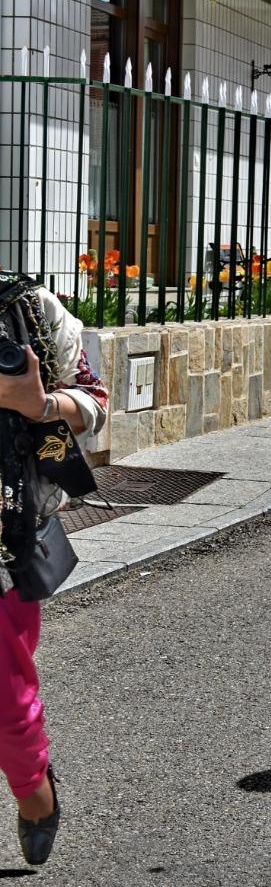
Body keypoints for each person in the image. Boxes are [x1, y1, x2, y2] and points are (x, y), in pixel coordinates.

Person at [0, 272, 108, 864]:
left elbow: (94, 397)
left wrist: (38, 404)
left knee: (7, 704)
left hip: (3, 540)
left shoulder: (25, 308)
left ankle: (34, 789)